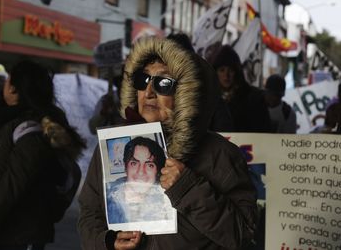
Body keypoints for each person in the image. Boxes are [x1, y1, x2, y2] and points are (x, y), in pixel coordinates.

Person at [78, 37, 257, 250]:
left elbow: (243, 235)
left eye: (163, 83)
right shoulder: (111, 146)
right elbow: (89, 215)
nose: (149, 93)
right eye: (142, 80)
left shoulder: (220, 155)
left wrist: (188, 187)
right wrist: (107, 241)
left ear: (187, 93)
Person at [0, 60, 85, 250]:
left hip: (19, 236)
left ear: (15, 89)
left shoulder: (30, 131)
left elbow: (9, 190)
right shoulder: (4, 117)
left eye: (8, 79)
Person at [107, 136, 172, 224]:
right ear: (125, 167)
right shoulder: (107, 195)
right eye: (134, 163)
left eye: (150, 165)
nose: (141, 172)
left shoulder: (166, 203)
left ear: (157, 172)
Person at [212, 45, 271, 132]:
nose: (226, 75)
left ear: (237, 72)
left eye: (230, 70)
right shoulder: (209, 98)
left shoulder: (254, 97)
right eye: (222, 70)